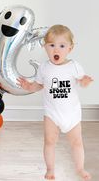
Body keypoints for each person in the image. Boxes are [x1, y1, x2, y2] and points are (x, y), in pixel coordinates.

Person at [17, 25, 93, 180]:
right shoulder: (44, 68)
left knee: (77, 142)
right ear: (45, 47)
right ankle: (50, 169)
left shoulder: (74, 66)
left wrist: (85, 81)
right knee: (49, 141)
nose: (56, 50)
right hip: (52, 113)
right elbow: (39, 85)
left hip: (71, 113)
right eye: (52, 45)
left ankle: (80, 168)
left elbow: (81, 82)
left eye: (62, 46)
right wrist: (29, 86)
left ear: (69, 49)